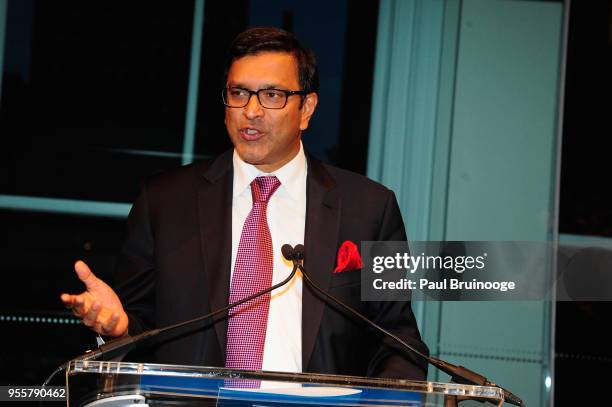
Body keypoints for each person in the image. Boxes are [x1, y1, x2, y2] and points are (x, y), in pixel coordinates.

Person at [61, 27, 428, 379]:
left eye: (272, 95)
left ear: (306, 109)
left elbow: (399, 343)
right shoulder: (164, 202)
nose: (251, 111)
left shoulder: (370, 209)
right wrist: (118, 328)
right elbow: (137, 330)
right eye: (239, 93)